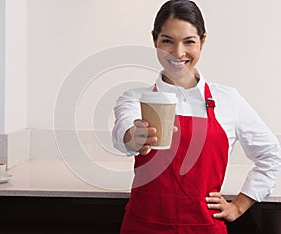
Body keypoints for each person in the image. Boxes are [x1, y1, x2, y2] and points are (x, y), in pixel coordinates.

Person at [112, 0, 281, 233]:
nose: (178, 53)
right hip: (144, 226)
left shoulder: (228, 100)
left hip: (204, 227)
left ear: (202, 41)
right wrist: (136, 138)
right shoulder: (135, 99)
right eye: (167, 41)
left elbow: (271, 154)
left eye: (189, 42)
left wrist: (239, 206)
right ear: (155, 41)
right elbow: (124, 134)